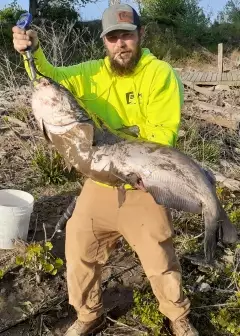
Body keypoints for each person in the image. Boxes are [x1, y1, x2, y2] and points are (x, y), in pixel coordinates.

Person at [12, 3, 199, 336]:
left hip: (142, 182)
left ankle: (176, 315)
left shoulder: (160, 75)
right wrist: (33, 51)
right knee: (79, 244)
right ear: (104, 41)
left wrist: (115, 151)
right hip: (100, 182)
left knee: (160, 256)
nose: (120, 45)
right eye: (113, 38)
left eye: (127, 36)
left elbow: (161, 138)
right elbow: (50, 80)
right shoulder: (91, 72)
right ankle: (88, 313)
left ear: (140, 35)